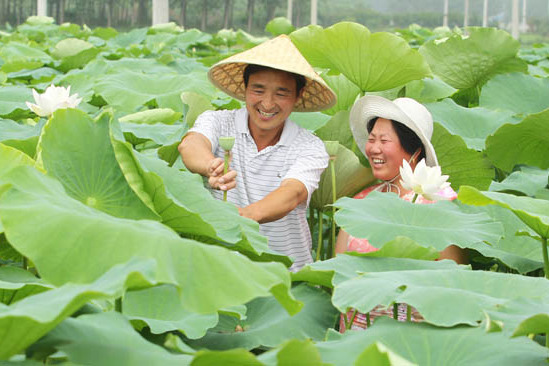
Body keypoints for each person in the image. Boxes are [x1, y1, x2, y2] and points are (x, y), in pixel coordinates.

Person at [178, 35, 336, 271]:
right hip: (221, 268)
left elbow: (292, 193)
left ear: (298, 96)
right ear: (245, 88)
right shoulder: (218, 121)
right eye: (258, 90)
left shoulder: (308, 146)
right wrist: (211, 165)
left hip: (287, 275)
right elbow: (190, 145)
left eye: (281, 93)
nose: (268, 103)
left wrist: (236, 219)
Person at [335, 95, 467, 331]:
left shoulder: (441, 201)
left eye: (384, 140)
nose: (373, 148)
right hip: (355, 340)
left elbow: (453, 284)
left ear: (414, 150)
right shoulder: (360, 202)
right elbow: (339, 277)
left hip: (415, 338)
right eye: (372, 139)